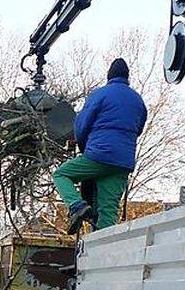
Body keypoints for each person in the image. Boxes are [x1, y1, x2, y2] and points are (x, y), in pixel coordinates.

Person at [53, 58, 148, 233]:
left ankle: (76, 206)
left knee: (61, 174)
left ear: (109, 76)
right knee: (108, 213)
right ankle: (101, 257)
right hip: (122, 163)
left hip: (99, 156)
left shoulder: (100, 94)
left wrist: (84, 147)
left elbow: (81, 125)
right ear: (127, 78)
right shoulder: (138, 100)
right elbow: (138, 128)